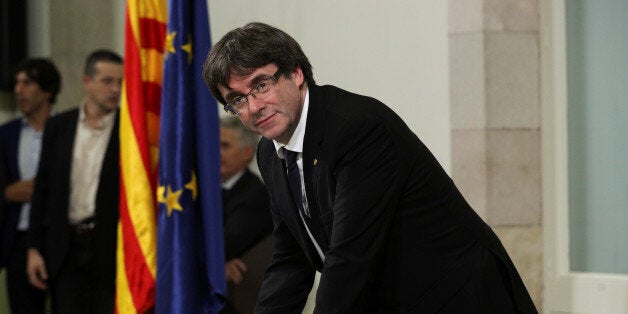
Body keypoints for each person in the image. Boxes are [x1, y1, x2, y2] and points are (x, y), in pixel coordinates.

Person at [203, 22, 538, 313]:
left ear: (296, 73)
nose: (254, 107)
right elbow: (292, 260)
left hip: (457, 296)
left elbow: (350, 257)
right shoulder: (268, 152)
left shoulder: (357, 128)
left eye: (261, 85)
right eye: (237, 99)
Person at [26, 49, 123, 314]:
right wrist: (34, 248)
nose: (115, 89)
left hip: (109, 251)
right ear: (86, 82)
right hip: (64, 249)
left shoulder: (129, 129)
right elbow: (41, 191)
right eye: (107, 81)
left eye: (120, 82)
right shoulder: (59, 126)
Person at [0, 58, 61, 314]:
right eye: (16, 83)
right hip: (18, 241)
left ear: (47, 90)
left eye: (27, 83)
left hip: (59, 239)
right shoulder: (6, 134)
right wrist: (6, 194)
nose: (18, 90)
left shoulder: (66, 129)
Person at [219, 116, 273, 314]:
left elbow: (224, 245)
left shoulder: (255, 195)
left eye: (224, 146)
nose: (216, 153)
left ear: (246, 153)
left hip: (239, 301)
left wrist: (214, 264)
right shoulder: (200, 189)